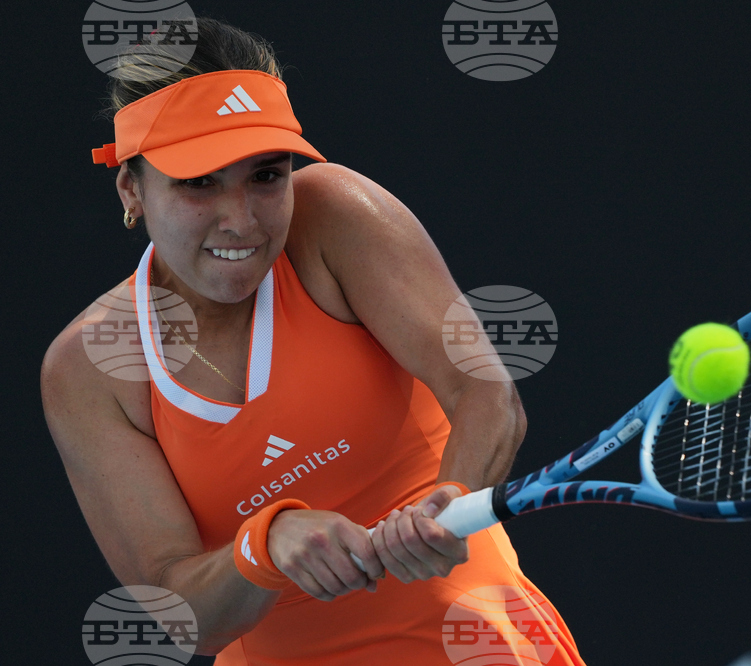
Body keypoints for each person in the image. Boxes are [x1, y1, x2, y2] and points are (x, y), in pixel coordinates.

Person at [42, 18, 585, 665]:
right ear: (132, 188)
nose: (240, 219)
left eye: (266, 175)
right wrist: (265, 544)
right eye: (199, 182)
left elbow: (484, 391)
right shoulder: (88, 367)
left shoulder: (335, 214)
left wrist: (453, 498)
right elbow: (183, 616)